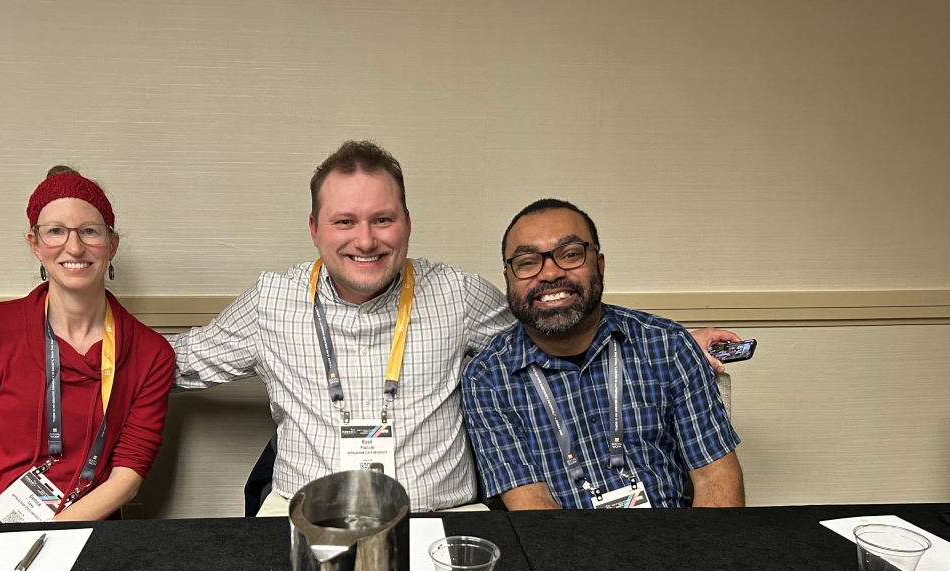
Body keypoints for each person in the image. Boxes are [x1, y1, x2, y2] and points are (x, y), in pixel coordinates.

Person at [169, 141, 737, 514]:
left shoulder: (456, 295)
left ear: (407, 224)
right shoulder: (272, 301)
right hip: (311, 514)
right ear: (315, 229)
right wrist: (110, 348)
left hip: (441, 516)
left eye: (382, 219)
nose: (365, 240)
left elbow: (550, 318)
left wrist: (672, 341)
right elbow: (175, 362)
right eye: (344, 221)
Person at [0, 167, 175, 525]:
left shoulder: (152, 354)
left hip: (74, 521)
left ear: (112, 244)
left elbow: (127, 478)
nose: (74, 247)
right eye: (56, 231)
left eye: (89, 231)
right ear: (35, 244)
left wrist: (42, 539)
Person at [461, 198, 744, 510]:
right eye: (527, 262)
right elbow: (531, 506)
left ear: (599, 264)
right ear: (508, 280)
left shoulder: (667, 345)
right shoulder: (488, 378)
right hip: (561, 536)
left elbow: (715, 477)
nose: (550, 273)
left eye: (570, 254)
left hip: (671, 531)